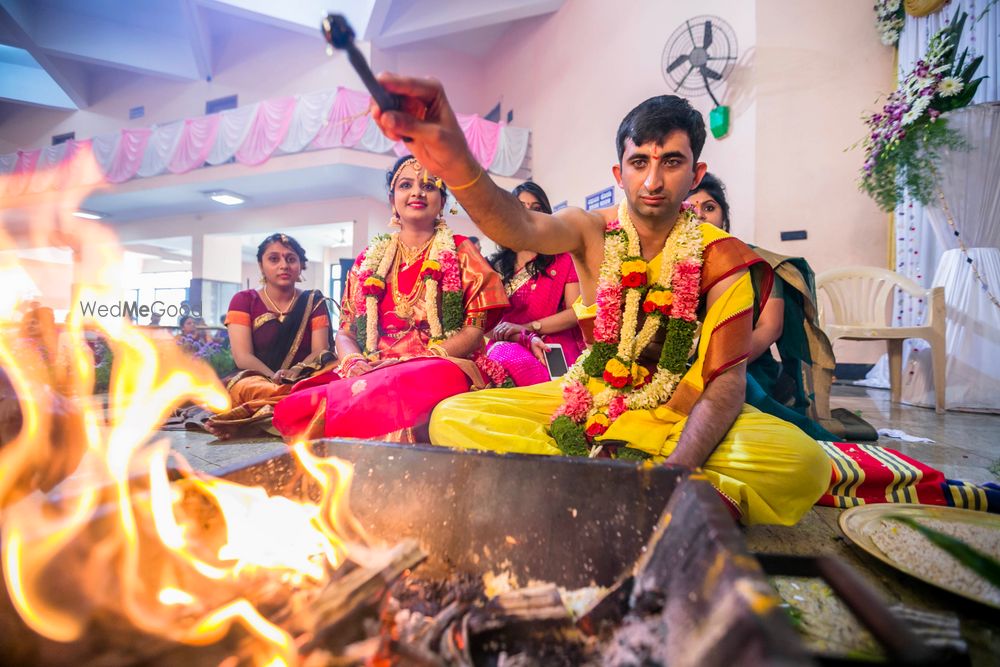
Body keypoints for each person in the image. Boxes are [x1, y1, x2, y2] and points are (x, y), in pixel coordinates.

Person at [369, 74, 830, 525]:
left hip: (682, 407)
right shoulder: (592, 232)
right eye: (639, 163)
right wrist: (454, 156)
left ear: (696, 174)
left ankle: (592, 481)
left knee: (804, 464)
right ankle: (630, 481)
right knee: (453, 418)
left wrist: (672, 475)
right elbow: (516, 224)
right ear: (619, 172)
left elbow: (726, 387)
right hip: (592, 393)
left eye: (671, 162)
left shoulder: (722, 256)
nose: (652, 181)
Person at [268, 156, 509, 443]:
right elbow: (345, 332)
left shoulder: (461, 252)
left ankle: (359, 422)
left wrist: (417, 359)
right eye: (406, 185)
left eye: (429, 186)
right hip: (372, 365)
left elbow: (474, 330)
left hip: (437, 364)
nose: (418, 192)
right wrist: (354, 361)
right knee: (294, 405)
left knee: (407, 382)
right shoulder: (368, 260)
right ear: (392, 200)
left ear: (442, 201)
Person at [687, 173, 838, 442]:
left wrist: (722, 364)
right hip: (685, 364)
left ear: (724, 219)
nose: (700, 215)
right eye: (691, 208)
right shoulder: (672, 267)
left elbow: (771, 327)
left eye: (709, 207)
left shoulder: (757, 263)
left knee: (736, 398)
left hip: (747, 363)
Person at [202, 233, 333, 437]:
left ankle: (257, 418)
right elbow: (242, 356)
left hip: (301, 379)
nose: (284, 265)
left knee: (327, 385)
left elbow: (319, 351)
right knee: (250, 388)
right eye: (274, 259)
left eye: (291, 259)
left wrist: (295, 372)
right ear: (261, 265)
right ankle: (285, 412)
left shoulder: (313, 302)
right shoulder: (244, 300)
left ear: (300, 265)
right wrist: (273, 378)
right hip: (256, 379)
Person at [486, 181, 587, 385]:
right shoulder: (494, 266)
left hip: (551, 341)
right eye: (520, 207)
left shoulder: (562, 258)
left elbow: (576, 311)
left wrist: (528, 328)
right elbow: (486, 323)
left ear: (546, 216)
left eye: (536, 208)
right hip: (507, 344)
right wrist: (517, 335)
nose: (528, 214)